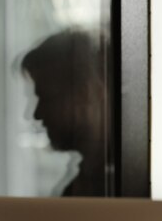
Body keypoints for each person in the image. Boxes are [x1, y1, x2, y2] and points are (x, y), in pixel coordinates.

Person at [21, 29, 112, 197]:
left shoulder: (126, 184)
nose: (36, 114)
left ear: (85, 93)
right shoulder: (91, 183)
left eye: (46, 97)